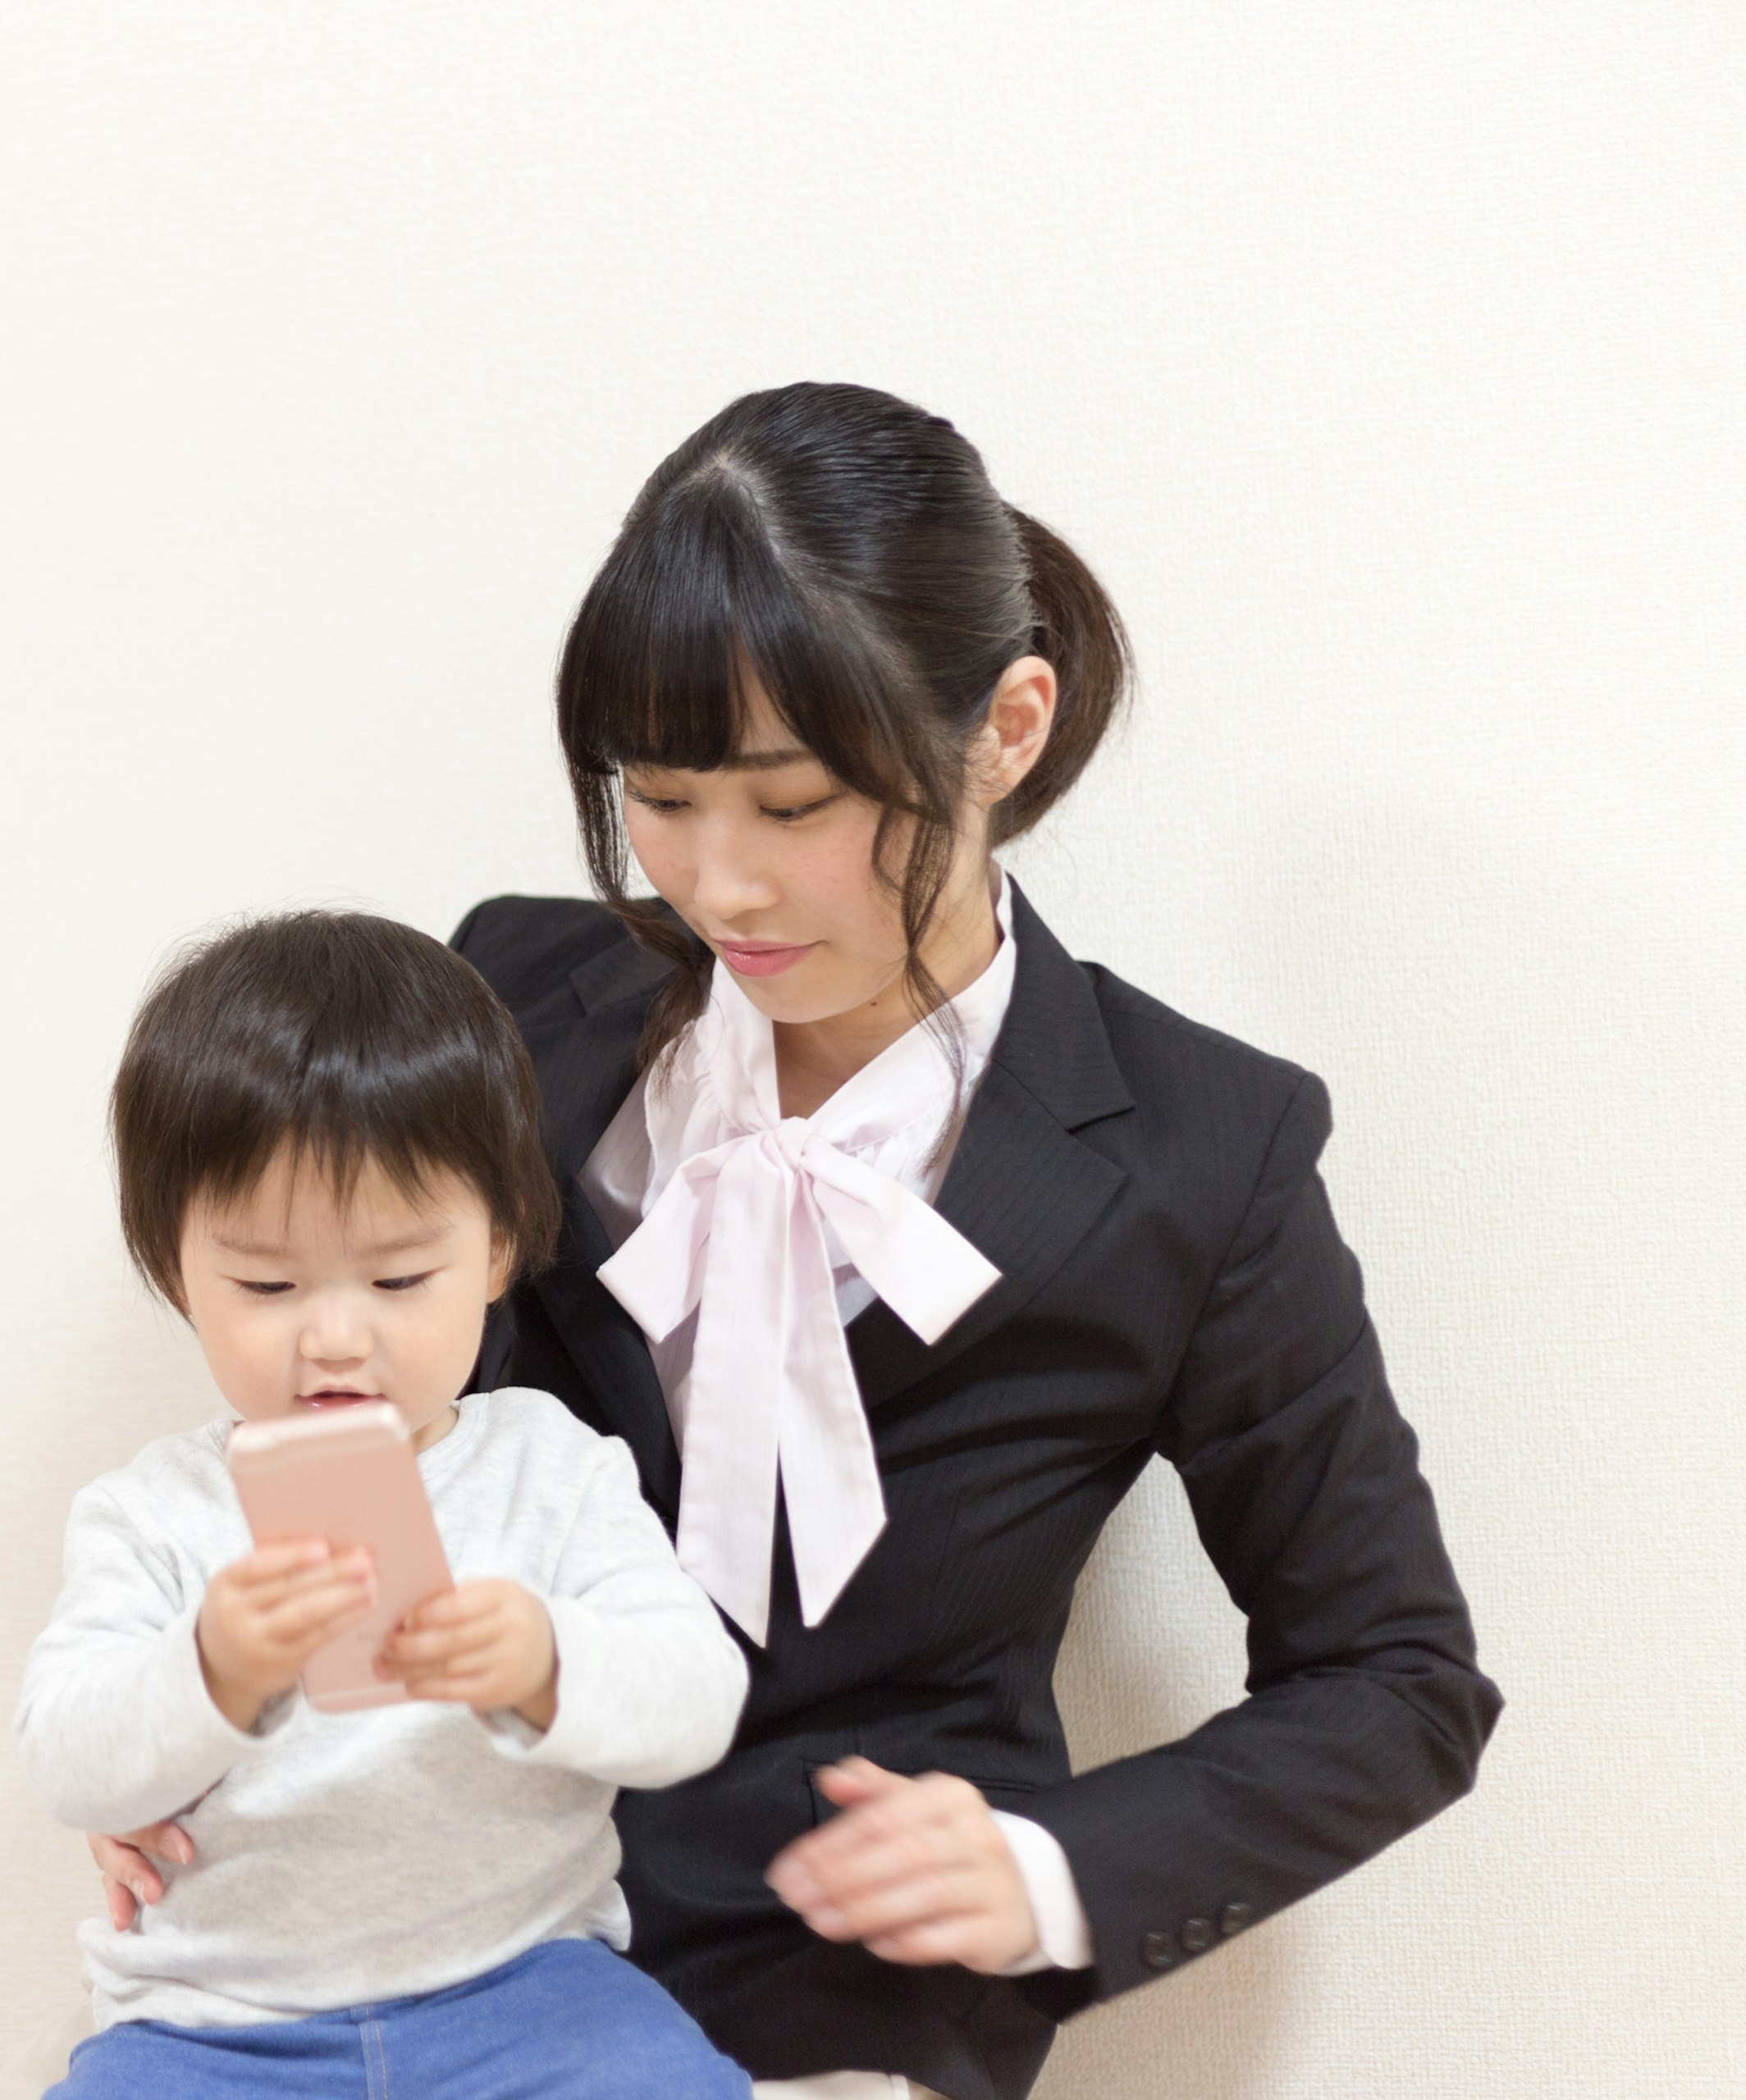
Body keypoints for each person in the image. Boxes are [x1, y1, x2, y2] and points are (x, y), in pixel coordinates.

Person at [86, 384, 1501, 2100]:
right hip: (439, 1927)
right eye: (663, 799)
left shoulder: (1207, 1149)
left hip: (851, 1980)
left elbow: (1399, 1676)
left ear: (1008, 726)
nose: (720, 883)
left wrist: (1048, 1865)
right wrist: (205, 1743)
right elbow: (350, 1397)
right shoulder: (517, 989)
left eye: (794, 801)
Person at [19, 911, 758, 2099]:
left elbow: (698, 1703)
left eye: (401, 1277)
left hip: (527, 1991)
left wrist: (545, 1660)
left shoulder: (551, 1468)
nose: (335, 1336)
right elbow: (68, 1762)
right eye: (266, 1282)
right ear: (174, 1271)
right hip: (214, 2025)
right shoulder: (153, 1512)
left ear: (501, 1249)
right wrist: (210, 1666)